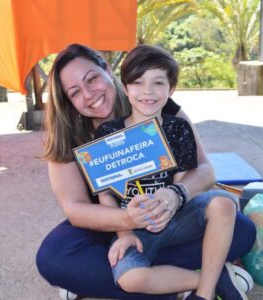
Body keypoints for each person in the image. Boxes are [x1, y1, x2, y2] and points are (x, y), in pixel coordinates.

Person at [36, 43, 257, 300]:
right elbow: (75, 209)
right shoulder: (68, 133)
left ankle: (102, 280)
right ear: (68, 100)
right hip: (111, 224)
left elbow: (205, 171)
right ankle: (208, 278)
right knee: (54, 258)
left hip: (170, 214)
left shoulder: (156, 103)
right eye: (75, 92)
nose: (88, 94)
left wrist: (175, 195)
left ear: (108, 69)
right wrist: (127, 222)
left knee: (242, 230)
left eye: (92, 78)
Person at [95, 45, 247, 300]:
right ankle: (212, 277)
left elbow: (183, 181)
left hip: (175, 218)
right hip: (134, 226)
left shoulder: (178, 129)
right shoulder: (108, 134)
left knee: (224, 203)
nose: (148, 91)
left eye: (158, 82)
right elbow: (106, 195)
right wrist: (124, 233)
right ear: (124, 88)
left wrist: (170, 205)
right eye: (138, 82)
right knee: (130, 279)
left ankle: (205, 294)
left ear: (171, 89)